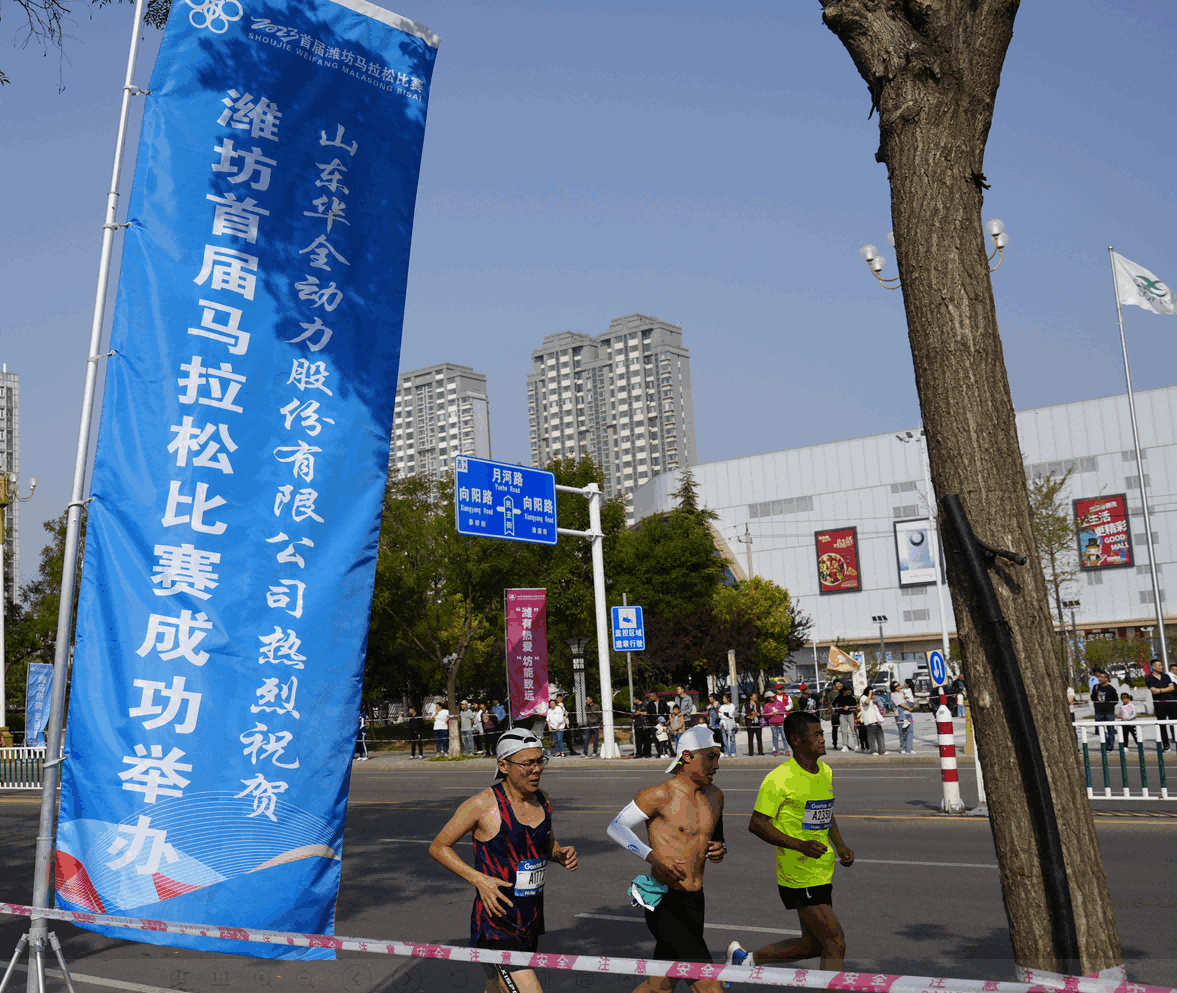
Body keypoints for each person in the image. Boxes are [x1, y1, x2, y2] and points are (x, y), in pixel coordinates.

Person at [429, 729, 579, 993]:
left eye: (540, 761)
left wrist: (559, 854)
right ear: (503, 766)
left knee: (497, 988)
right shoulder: (482, 805)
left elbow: (547, 844)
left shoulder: (544, 801)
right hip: (496, 923)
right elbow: (439, 847)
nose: (536, 770)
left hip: (530, 917)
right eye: (527, 763)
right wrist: (479, 879)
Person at [725, 712, 855, 973]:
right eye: (816, 735)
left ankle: (745, 960)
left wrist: (840, 846)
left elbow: (825, 812)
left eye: (822, 733)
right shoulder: (779, 779)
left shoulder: (825, 771)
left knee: (814, 945)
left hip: (822, 870)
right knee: (835, 942)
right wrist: (799, 845)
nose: (822, 739)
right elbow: (757, 824)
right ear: (796, 740)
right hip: (798, 873)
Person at [606, 725, 727, 993]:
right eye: (711, 757)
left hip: (695, 901)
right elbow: (616, 827)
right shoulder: (659, 794)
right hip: (666, 904)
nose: (717, 765)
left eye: (718, 757)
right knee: (709, 985)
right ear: (687, 756)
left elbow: (717, 837)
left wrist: (721, 848)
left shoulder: (715, 796)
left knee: (661, 985)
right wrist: (653, 857)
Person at [1146, 659, 1177, 751]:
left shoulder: (1166, 676)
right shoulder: (1149, 678)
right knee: (1162, 725)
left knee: (1174, 723)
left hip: (1171, 702)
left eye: (1161, 665)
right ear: (1153, 667)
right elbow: (1154, 690)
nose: (1161, 667)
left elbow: (1172, 687)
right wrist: (1165, 689)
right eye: (1159, 665)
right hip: (1159, 704)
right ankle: (1166, 744)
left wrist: (1160, 690)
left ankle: (1175, 739)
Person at [1090, 669, 1118, 750]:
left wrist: (1108, 705)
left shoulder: (1111, 689)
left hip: (1109, 712)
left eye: (1102, 677)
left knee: (1110, 730)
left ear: (1106, 679)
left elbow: (1115, 700)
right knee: (1100, 729)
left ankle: (1110, 745)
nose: (1100, 679)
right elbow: (1093, 698)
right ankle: (1104, 743)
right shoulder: (1096, 687)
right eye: (1099, 677)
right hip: (1099, 712)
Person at [889, 681, 914, 753]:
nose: (898, 687)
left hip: (907, 713)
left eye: (898, 685)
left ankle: (909, 748)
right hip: (899, 715)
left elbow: (909, 697)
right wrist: (908, 708)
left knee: (910, 731)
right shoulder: (893, 694)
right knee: (902, 732)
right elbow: (900, 703)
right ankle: (903, 748)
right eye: (896, 686)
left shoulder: (902, 692)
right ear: (893, 688)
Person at [858, 689, 884, 755]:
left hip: (876, 720)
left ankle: (882, 750)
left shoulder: (872, 699)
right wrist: (870, 693)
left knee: (880, 736)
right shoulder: (863, 697)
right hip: (870, 721)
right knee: (871, 737)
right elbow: (867, 702)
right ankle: (873, 751)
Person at [833, 684, 858, 753]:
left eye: (850, 690)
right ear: (844, 691)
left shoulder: (852, 697)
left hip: (850, 714)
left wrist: (849, 707)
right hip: (842, 715)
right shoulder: (839, 697)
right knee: (844, 731)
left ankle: (856, 745)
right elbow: (833, 703)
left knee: (853, 730)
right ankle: (845, 745)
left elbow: (855, 704)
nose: (849, 692)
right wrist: (837, 710)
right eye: (848, 690)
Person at [822, 680, 844, 750]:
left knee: (844, 729)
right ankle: (835, 744)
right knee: (835, 729)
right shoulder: (831, 694)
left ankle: (845, 744)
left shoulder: (843, 692)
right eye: (838, 684)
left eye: (840, 683)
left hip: (843, 713)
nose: (840, 685)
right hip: (834, 714)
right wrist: (824, 697)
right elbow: (827, 703)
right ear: (834, 686)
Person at [743, 693, 764, 757]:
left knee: (759, 738)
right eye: (754, 696)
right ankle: (751, 752)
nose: (755, 697)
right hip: (750, 723)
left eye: (756, 696)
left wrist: (758, 713)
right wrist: (749, 717)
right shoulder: (746, 705)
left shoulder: (758, 705)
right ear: (751, 697)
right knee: (750, 738)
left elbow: (762, 713)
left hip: (757, 723)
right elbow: (743, 714)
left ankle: (760, 752)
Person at [719, 693, 738, 758]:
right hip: (723, 724)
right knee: (725, 739)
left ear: (728, 699)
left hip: (731, 724)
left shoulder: (732, 706)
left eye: (724, 698)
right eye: (723, 698)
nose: (723, 700)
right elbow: (720, 714)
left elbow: (730, 714)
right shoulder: (722, 706)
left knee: (732, 739)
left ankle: (733, 752)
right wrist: (725, 715)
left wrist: (725, 715)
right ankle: (726, 752)